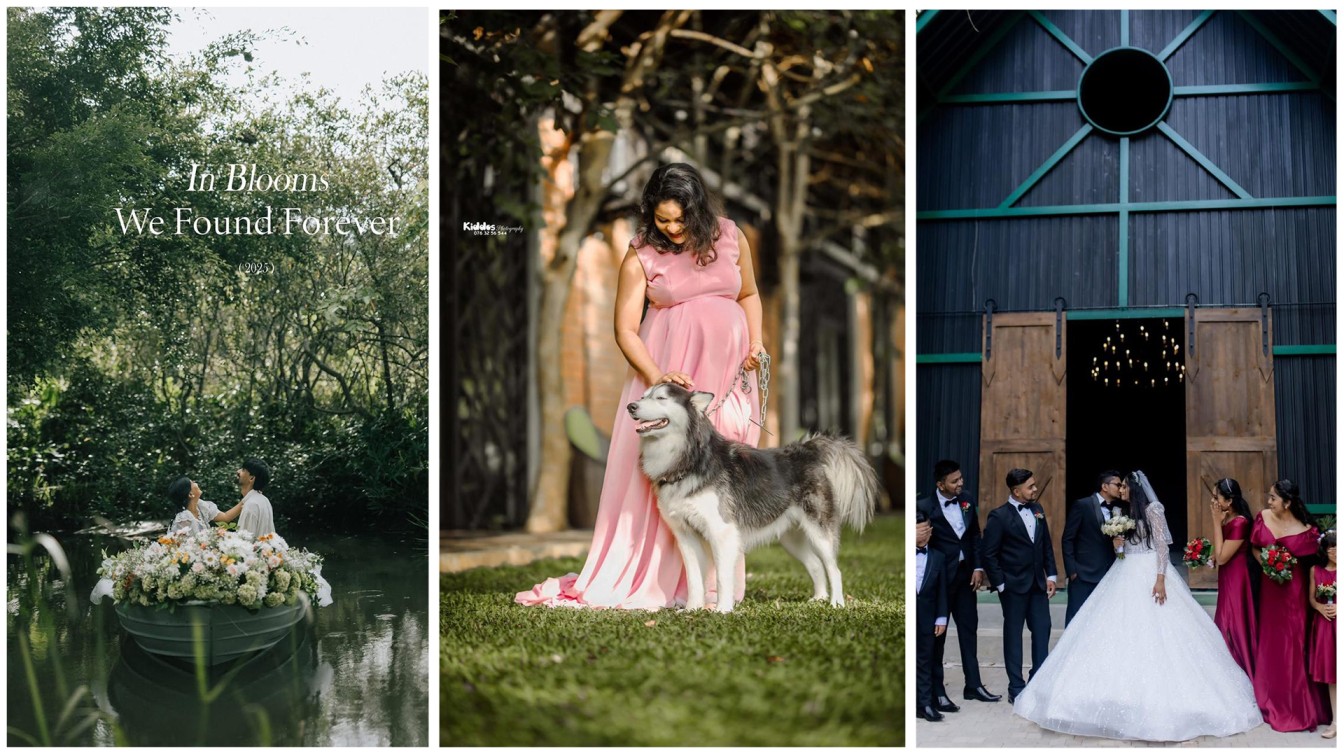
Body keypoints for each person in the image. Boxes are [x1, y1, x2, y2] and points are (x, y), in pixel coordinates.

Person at [516, 162, 764, 609]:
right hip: (669, 373)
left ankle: (714, 583)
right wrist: (657, 375)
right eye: (662, 219)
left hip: (729, 379)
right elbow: (625, 329)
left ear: (700, 209)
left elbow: (748, 295)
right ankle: (657, 578)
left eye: (680, 219)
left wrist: (758, 342)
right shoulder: (640, 253)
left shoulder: (731, 235)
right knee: (667, 470)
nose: (671, 229)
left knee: (722, 474)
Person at [1012, 471, 1263, 741]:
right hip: (1124, 571)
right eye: (1118, 485)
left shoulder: (1153, 509)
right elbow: (1124, 549)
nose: (1120, 489)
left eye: (1123, 486)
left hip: (1149, 572)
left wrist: (1160, 579)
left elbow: (1162, 547)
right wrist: (1118, 546)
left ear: (1133, 487)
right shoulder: (1123, 510)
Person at [915, 460, 999, 707]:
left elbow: (974, 535)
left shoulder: (967, 500)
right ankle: (937, 691)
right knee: (936, 637)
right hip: (938, 582)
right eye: (954, 481)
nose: (961, 483)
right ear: (940, 484)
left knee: (968, 632)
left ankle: (973, 685)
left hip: (965, 579)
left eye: (961, 478)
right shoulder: (923, 506)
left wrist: (977, 566)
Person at [1250, 479, 1328, 732]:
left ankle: (1297, 704)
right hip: (1270, 589)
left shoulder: (1306, 530)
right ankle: (1269, 694)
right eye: (1269, 496)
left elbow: (1316, 566)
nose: (1268, 501)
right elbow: (1254, 548)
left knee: (1293, 644)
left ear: (1288, 502)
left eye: (1273, 498)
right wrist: (1267, 565)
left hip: (1294, 593)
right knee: (1271, 641)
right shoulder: (1263, 517)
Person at [980, 468, 1057, 703]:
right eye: (1030, 486)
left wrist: (1051, 575)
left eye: (1034, 485)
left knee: (1042, 630)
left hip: (1037, 584)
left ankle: (1038, 679)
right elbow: (989, 554)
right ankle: (1016, 686)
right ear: (1016, 491)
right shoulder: (999, 516)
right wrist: (1001, 584)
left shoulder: (1038, 510)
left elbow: (1045, 545)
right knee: (1013, 635)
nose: (1035, 489)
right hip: (1012, 587)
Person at [1062, 470, 1127, 625]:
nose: (1120, 488)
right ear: (1105, 486)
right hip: (1083, 574)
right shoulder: (1082, 505)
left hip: (1108, 574)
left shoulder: (1118, 510)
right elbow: (1067, 539)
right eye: (1117, 484)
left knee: (1101, 621)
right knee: (1076, 619)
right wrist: (1072, 571)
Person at [1209, 477, 1258, 678]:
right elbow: (1220, 552)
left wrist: (1215, 523)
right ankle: (1224, 669)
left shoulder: (1240, 523)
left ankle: (1237, 670)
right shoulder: (1228, 518)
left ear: (1229, 501)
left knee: (1232, 621)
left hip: (1237, 578)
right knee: (1224, 618)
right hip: (1227, 575)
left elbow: (1222, 557)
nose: (1213, 502)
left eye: (1216, 497)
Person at [915, 511, 949, 722]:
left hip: (929, 617)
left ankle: (925, 703)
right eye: (919, 530)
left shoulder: (938, 557)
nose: (924, 534)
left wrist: (942, 618)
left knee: (925, 660)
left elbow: (942, 591)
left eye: (927, 530)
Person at [1309, 530, 1337, 739]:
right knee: (1332, 675)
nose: (1335, 552)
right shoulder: (1315, 570)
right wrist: (1319, 606)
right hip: (1325, 626)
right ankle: (1336, 721)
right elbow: (1311, 598)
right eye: (1331, 549)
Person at [168, 476, 243, 535]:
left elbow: (225, 517)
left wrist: (247, 499)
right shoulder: (184, 518)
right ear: (190, 494)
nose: (196, 483)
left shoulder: (200, 506)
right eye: (193, 483)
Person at [235, 459, 276, 537]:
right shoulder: (264, 500)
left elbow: (245, 542)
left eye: (243, 470)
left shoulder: (251, 504)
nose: (238, 471)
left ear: (251, 478)